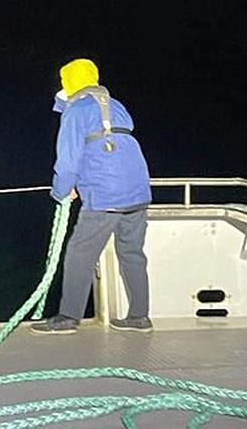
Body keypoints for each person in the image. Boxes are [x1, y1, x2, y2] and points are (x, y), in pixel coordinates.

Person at [31, 58, 153, 335]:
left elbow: (67, 161)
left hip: (106, 196)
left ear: (69, 82)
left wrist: (61, 191)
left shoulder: (76, 110)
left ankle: (68, 318)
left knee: (79, 254)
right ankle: (139, 317)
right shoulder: (116, 106)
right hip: (138, 191)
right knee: (132, 253)